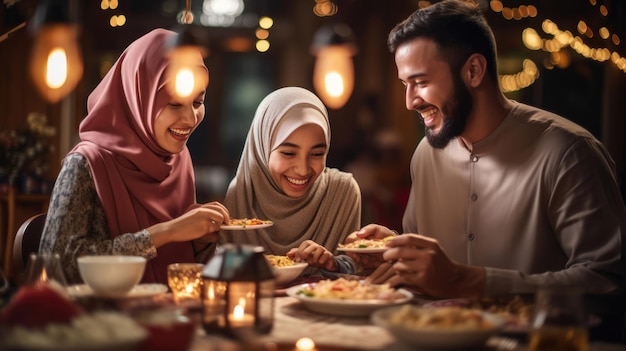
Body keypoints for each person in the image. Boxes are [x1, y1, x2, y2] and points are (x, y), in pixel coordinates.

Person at [349, 0, 626, 341]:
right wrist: (393, 252)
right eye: (405, 84)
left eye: (419, 82)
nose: (410, 101)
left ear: (474, 71)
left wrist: (474, 281)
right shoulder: (425, 153)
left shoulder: (569, 153)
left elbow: (608, 283)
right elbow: (431, 267)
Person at [39, 28, 230, 285]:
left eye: (197, 103)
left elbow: (180, 268)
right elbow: (57, 265)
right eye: (174, 104)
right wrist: (167, 232)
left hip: (171, 312)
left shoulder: (178, 161)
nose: (189, 119)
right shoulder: (86, 165)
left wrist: (197, 241)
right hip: (102, 319)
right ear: (138, 96)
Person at [218, 87, 361, 275]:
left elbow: (356, 268)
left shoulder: (341, 192)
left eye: (317, 154)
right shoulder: (242, 193)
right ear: (263, 147)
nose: (303, 169)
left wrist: (333, 263)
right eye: (288, 153)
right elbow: (220, 273)